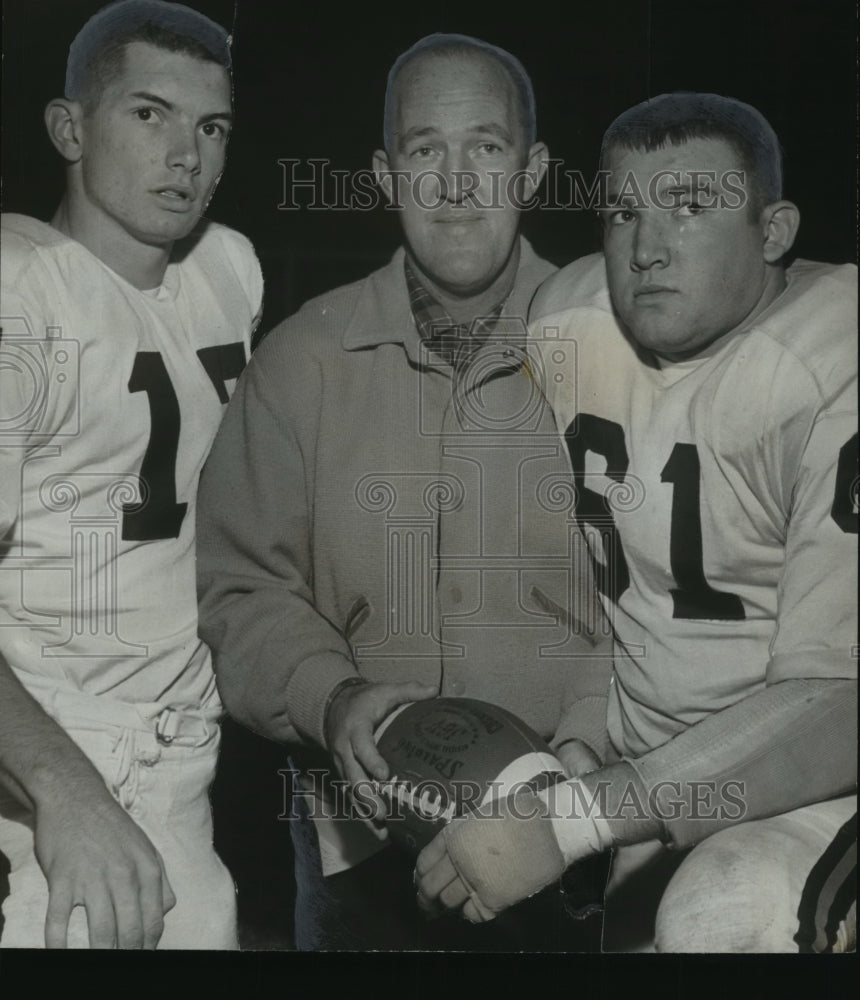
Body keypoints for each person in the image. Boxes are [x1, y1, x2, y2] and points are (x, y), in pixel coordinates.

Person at [415, 92, 857, 953]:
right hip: (640, 772)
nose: (647, 249)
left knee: (724, 915)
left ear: (774, 231)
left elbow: (842, 702)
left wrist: (575, 820)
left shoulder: (834, 357)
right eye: (624, 212)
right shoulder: (569, 322)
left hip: (820, 786)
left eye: (691, 208)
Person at [197, 33, 608, 950]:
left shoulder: (616, 349)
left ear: (533, 169)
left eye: (487, 148)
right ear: (386, 174)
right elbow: (241, 586)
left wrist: (581, 752)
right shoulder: (304, 357)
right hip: (359, 854)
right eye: (426, 150)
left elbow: (661, 602)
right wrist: (329, 696)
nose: (456, 183)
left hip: (574, 837)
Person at [0, 0, 263, 949]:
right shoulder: (20, 286)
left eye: (212, 126)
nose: (186, 155)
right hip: (45, 779)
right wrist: (63, 791)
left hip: (184, 768)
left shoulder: (229, 268)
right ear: (70, 127)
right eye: (149, 114)